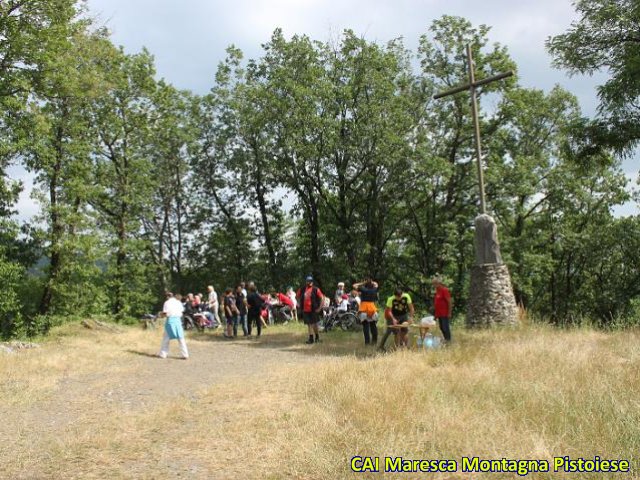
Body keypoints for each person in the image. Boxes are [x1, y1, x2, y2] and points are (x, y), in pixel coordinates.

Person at [158, 292, 189, 359]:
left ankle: (163, 354)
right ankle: (185, 354)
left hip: (170, 321)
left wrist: (160, 314)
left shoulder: (167, 303)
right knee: (181, 338)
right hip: (178, 321)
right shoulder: (178, 302)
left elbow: (165, 313)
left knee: (166, 339)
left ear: (167, 297)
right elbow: (182, 311)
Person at [297, 276, 324, 344]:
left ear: (312, 282)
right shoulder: (302, 289)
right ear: (306, 282)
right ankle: (311, 339)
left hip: (313, 310)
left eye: (310, 281)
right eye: (308, 281)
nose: (309, 282)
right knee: (309, 324)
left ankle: (317, 337)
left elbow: (322, 298)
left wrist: (320, 308)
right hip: (305, 310)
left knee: (315, 324)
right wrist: (299, 304)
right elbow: (297, 296)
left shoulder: (316, 289)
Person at [353, 277, 379, 346]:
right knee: (373, 325)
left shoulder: (363, 289)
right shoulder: (374, 289)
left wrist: (363, 283)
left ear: (365, 285)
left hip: (364, 309)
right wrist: (371, 281)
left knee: (365, 326)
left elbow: (354, 285)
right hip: (372, 309)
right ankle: (374, 341)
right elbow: (376, 284)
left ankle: (367, 343)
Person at [432, 276, 453, 344]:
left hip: (445, 313)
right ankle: (446, 340)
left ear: (439, 283)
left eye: (435, 284)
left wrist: (449, 313)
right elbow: (437, 304)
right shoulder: (437, 291)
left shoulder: (444, 290)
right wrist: (435, 315)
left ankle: (448, 340)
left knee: (445, 327)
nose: (434, 285)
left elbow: (449, 302)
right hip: (439, 314)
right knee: (441, 327)